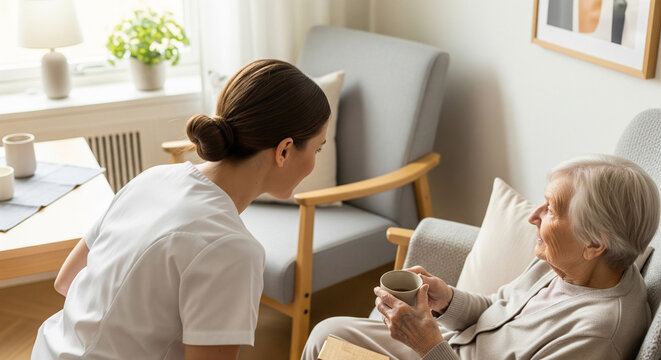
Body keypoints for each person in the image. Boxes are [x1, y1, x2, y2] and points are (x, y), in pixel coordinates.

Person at [32, 59, 331, 360]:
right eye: (317, 149)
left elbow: (67, 281)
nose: (314, 161)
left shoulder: (152, 178)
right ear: (284, 150)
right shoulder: (233, 249)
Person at [303, 155, 659, 359]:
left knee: (330, 348)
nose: (533, 216)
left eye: (551, 210)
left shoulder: (596, 335)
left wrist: (428, 344)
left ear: (596, 243)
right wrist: (447, 300)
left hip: (441, 354)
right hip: (451, 348)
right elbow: (498, 308)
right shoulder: (571, 265)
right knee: (327, 333)